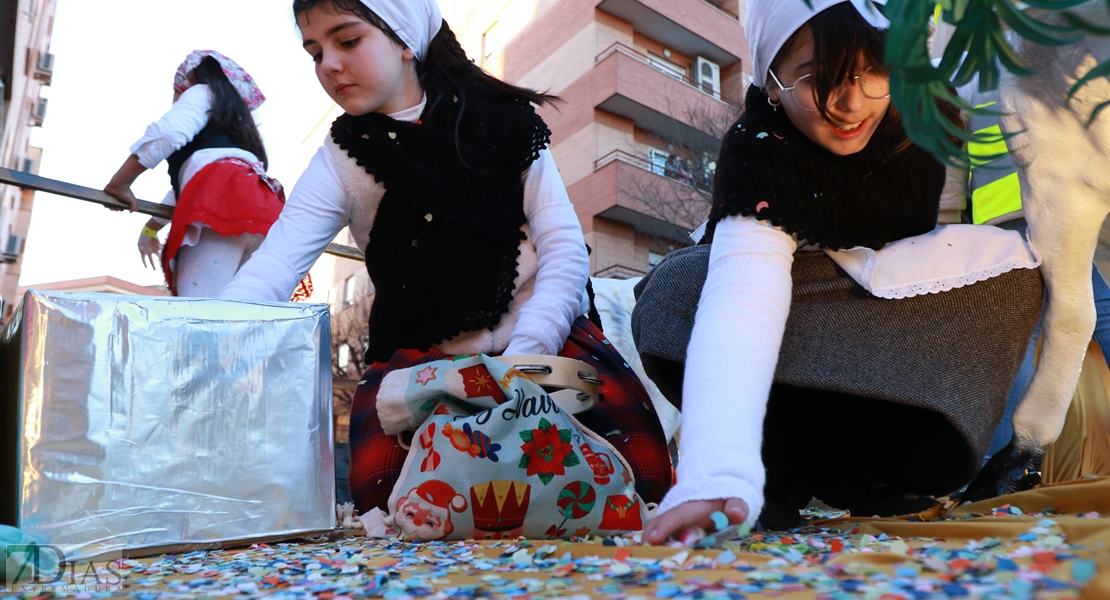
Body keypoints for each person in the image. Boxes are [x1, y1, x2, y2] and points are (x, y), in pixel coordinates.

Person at [219, 0, 672, 514]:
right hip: (419, 361)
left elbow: (564, 247)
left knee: (642, 475)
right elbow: (277, 264)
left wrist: (526, 357)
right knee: (386, 497)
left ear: (406, 40)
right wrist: (208, 331)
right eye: (315, 51)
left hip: (543, 343)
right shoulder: (340, 157)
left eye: (347, 41)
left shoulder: (504, 122)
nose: (328, 64)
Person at [634, 0, 1044, 543]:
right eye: (817, 78)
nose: (852, 103)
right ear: (772, 80)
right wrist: (717, 471)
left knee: (1012, 273)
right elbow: (743, 294)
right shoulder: (762, 147)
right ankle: (776, 469)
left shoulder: (918, 122)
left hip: (869, 324)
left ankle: (863, 472)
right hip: (782, 338)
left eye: (875, 70)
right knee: (674, 290)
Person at [104, 51, 297, 298]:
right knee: (240, 317)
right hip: (264, 210)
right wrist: (150, 230)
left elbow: (169, 133)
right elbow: (186, 195)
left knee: (198, 313)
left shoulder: (202, 91)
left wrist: (119, 183)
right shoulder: (238, 133)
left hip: (224, 205)